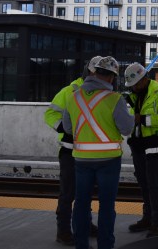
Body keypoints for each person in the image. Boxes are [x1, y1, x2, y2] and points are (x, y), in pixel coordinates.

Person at [63, 56, 134, 249]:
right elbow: (127, 129)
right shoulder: (115, 99)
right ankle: (105, 245)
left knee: (81, 204)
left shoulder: (73, 97)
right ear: (112, 77)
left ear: (94, 73)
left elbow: (68, 129)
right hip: (109, 161)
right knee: (106, 207)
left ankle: (81, 244)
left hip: (81, 160)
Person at [44, 55, 102, 245]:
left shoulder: (100, 93)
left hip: (88, 152)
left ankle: (85, 224)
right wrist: (63, 129)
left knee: (84, 193)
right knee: (68, 193)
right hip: (70, 151)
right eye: (97, 72)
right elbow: (51, 113)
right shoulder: (70, 91)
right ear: (89, 72)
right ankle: (63, 231)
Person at [123, 62, 158, 238]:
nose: (132, 88)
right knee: (143, 183)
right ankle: (148, 218)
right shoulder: (137, 94)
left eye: (134, 85)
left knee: (153, 185)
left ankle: (157, 224)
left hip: (156, 144)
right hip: (140, 144)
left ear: (142, 80)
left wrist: (142, 119)